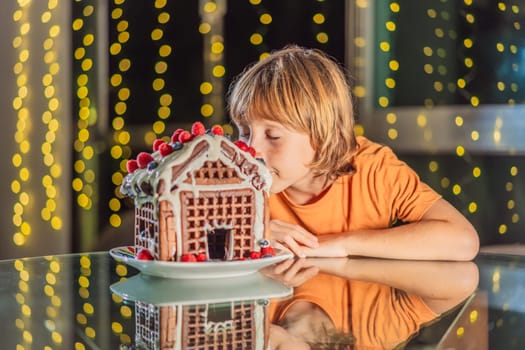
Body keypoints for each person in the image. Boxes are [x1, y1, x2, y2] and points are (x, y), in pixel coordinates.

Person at [227, 45, 479, 261]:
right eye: (244, 132)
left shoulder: (375, 170)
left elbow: (463, 240)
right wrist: (253, 232)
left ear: (323, 135)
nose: (251, 150)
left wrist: (341, 244)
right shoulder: (237, 176)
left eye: (273, 136)